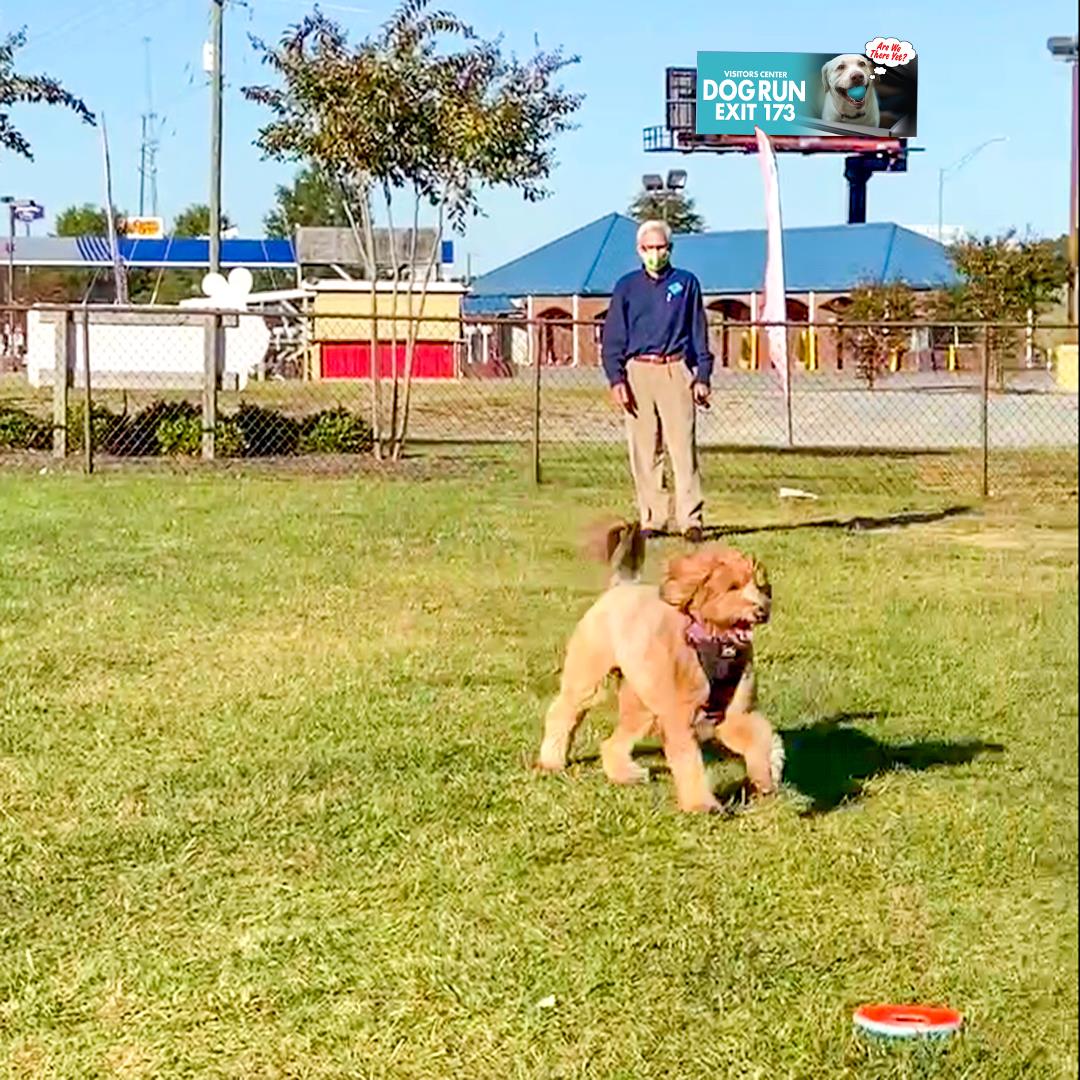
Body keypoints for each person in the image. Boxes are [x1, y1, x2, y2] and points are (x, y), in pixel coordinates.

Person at [601, 219, 713, 543]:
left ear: (670, 249)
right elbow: (612, 339)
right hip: (638, 371)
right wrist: (616, 378)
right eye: (648, 248)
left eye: (660, 247)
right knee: (645, 449)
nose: (655, 253)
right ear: (639, 250)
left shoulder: (686, 284)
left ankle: (690, 519)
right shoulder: (626, 287)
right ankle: (652, 518)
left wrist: (701, 375)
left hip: (675, 369)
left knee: (682, 447)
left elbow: (698, 333)